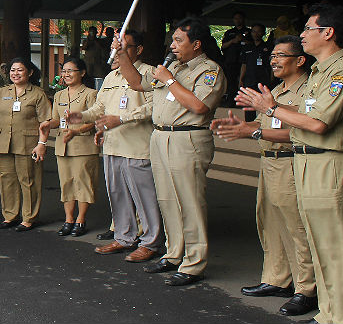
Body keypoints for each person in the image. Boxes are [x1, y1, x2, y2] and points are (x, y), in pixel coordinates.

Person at [236, 4, 343, 324]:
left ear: (328, 32)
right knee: (317, 242)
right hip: (307, 160)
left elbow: (319, 124)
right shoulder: (320, 73)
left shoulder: (338, 71)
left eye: (308, 30)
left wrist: (271, 108)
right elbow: (302, 122)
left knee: (331, 244)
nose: (303, 36)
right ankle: (329, 311)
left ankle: (336, 314)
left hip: (327, 163)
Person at [114, 17, 225, 286]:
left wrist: (170, 80)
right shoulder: (173, 66)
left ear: (196, 44)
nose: (172, 45)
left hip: (187, 138)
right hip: (161, 136)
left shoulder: (209, 70)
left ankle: (194, 262)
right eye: (172, 40)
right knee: (167, 199)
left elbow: (199, 107)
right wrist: (121, 53)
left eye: (179, 40)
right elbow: (137, 82)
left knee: (189, 201)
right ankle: (175, 253)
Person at [212, 36, 317, 317]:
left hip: (291, 163)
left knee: (297, 229)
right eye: (272, 55)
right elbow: (269, 121)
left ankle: (307, 290)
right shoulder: (277, 89)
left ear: (300, 60)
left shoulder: (309, 90)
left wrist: (255, 132)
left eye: (281, 55)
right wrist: (244, 125)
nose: (273, 60)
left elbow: (302, 130)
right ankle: (278, 279)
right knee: (269, 223)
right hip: (269, 163)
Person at [68, 30, 163, 262]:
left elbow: (155, 107)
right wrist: (82, 117)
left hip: (137, 147)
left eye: (124, 48)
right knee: (117, 195)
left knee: (145, 198)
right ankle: (124, 237)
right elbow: (100, 109)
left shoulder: (149, 73)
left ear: (138, 50)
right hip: (112, 146)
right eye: (115, 49)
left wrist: (121, 119)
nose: (117, 53)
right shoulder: (111, 78)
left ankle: (151, 242)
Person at [0, 57, 51, 232]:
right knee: (7, 179)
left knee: (28, 180)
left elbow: (46, 122)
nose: (15, 73)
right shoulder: (2, 92)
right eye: (12, 70)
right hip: (4, 142)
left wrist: (42, 144)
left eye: (20, 70)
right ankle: (10, 216)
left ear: (30, 72)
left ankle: (29, 217)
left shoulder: (37, 94)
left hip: (27, 143)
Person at [40, 57, 99, 237]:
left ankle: (80, 220)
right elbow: (58, 119)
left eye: (70, 71)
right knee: (66, 184)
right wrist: (49, 124)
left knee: (83, 183)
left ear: (82, 73)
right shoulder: (59, 95)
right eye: (64, 71)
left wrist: (77, 131)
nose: (66, 74)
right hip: (63, 145)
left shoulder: (90, 94)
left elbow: (95, 120)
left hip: (83, 145)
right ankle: (68, 219)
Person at [239, 23, 272, 121]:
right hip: (249, 80)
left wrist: (271, 79)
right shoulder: (247, 47)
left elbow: (272, 66)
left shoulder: (268, 48)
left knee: (265, 105)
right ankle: (249, 126)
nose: (256, 33)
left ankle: (264, 126)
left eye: (259, 31)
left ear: (263, 33)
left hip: (263, 80)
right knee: (249, 105)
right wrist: (241, 79)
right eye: (254, 31)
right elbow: (243, 65)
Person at [221, 11, 252, 106]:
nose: (238, 20)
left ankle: (244, 102)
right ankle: (230, 101)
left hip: (245, 61)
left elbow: (254, 45)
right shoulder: (229, 32)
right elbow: (223, 46)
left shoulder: (249, 32)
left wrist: (243, 40)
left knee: (244, 81)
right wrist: (233, 41)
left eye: (240, 18)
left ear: (244, 19)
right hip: (231, 61)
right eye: (236, 18)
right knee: (231, 81)